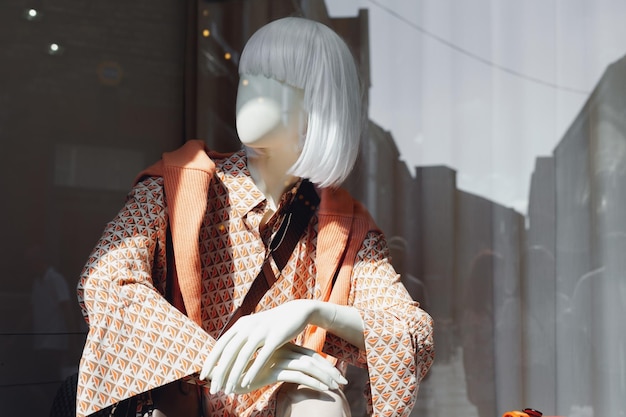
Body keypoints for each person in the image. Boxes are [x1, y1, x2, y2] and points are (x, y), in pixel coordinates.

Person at [75, 17, 434, 417]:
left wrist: (310, 312)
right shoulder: (178, 184)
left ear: (318, 104)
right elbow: (105, 283)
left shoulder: (342, 225)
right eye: (248, 77)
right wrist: (221, 362)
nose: (248, 91)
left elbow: (411, 332)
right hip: (183, 400)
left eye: (272, 82)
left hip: (279, 406)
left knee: (317, 403)